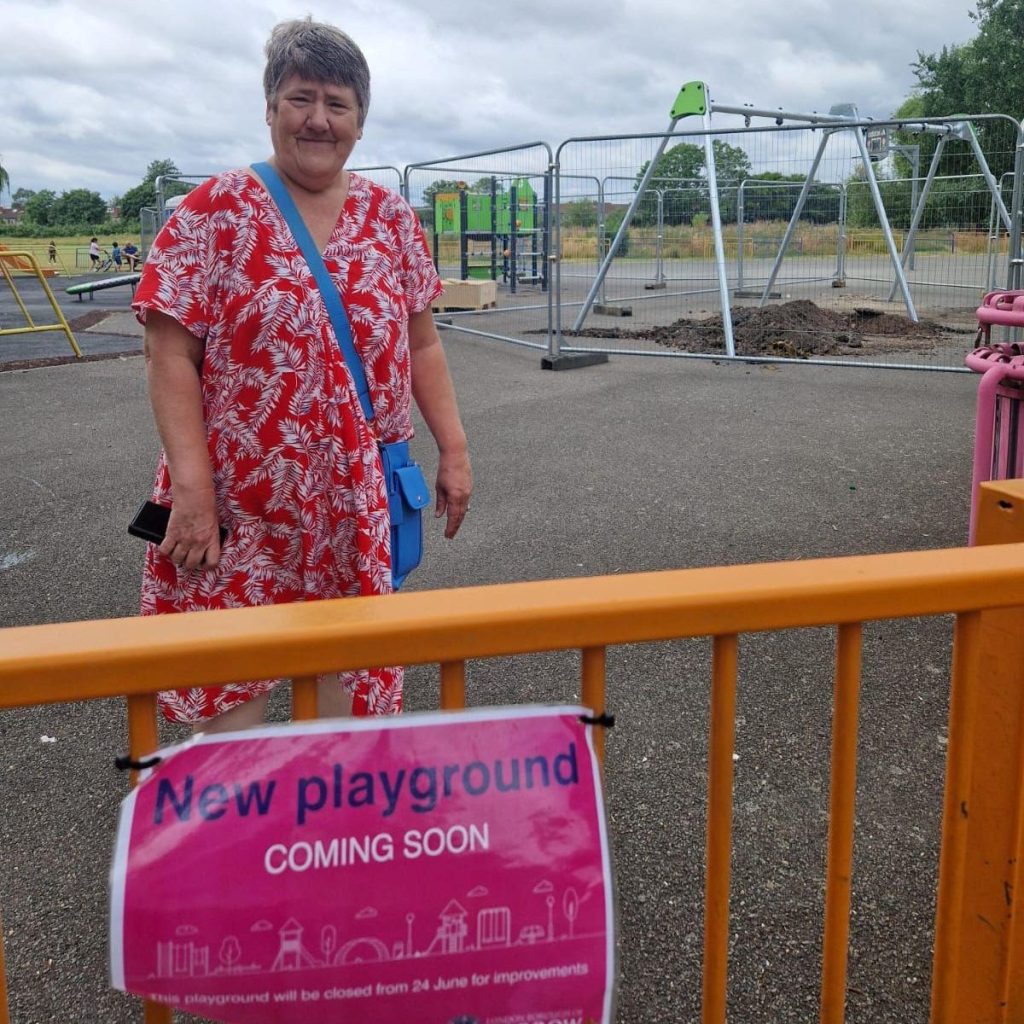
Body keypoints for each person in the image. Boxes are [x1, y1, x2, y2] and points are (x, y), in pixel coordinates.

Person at [133, 17, 472, 734]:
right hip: (235, 501)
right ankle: (243, 838)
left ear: (359, 121)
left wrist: (456, 450)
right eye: (300, 98)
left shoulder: (391, 220)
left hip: (351, 498)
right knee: (231, 708)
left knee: (348, 710)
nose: (318, 119)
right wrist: (192, 492)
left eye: (337, 104)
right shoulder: (209, 214)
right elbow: (169, 358)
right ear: (270, 108)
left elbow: (424, 343)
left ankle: (330, 842)